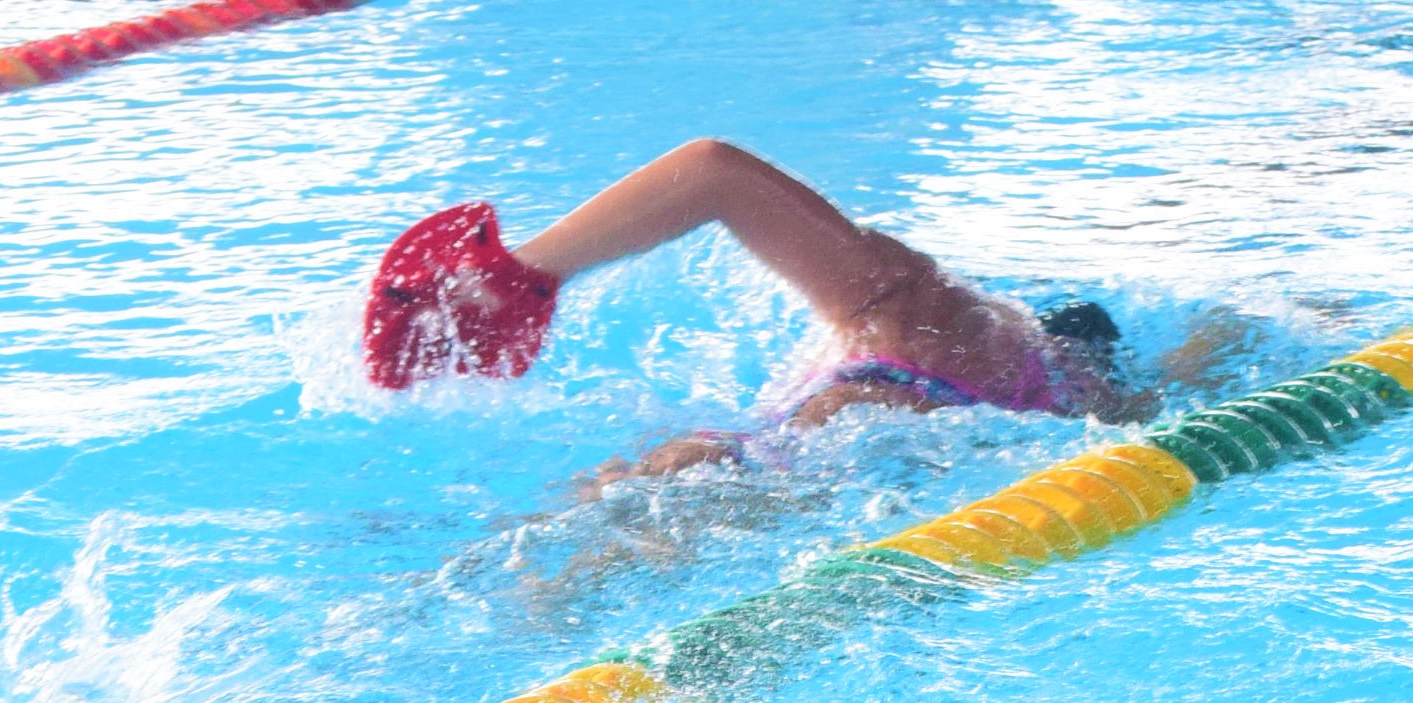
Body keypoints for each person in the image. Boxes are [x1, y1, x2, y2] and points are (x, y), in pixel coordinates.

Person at [361, 139, 1237, 482]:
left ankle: (504, 287)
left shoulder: (919, 299)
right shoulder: (1086, 399)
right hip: (888, 460)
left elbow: (709, 170)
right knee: (700, 481)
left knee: (668, 477)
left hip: (846, 413)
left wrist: (527, 274)